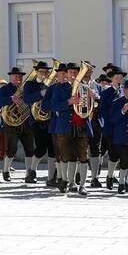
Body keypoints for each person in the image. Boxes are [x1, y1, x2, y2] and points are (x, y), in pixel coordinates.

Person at [52, 62, 96, 195]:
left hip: (81, 126)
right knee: (65, 155)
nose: (73, 74)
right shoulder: (59, 88)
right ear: (66, 74)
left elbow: (92, 106)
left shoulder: (85, 87)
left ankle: (82, 185)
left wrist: (93, 98)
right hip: (65, 126)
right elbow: (53, 105)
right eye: (70, 72)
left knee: (83, 156)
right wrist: (68, 102)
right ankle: (66, 180)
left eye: (76, 72)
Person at [23, 61, 56, 185]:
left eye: (45, 72)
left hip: (50, 119)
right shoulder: (29, 85)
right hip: (36, 121)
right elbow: (26, 99)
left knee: (52, 149)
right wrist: (40, 94)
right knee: (41, 148)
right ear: (36, 71)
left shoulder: (51, 85)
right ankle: (31, 172)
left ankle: (51, 178)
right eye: (41, 71)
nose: (43, 74)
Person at [0, 67, 35, 183]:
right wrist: (10, 99)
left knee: (30, 149)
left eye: (20, 76)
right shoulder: (5, 89)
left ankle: (29, 174)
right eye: (16, 76)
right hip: (11, 124)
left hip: (26, 122)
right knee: (11, 149)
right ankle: (6, 171)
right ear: (10, 77)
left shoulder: (26, 89)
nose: (18, 79)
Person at [99, 66, 127, 190]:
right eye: (117, 76)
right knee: (113, 154)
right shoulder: (105, 92)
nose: (119, 78)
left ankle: (123, 180)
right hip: (110, 127)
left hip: (123, 126)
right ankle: (110, 176)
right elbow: (101, 110)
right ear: (112, 78)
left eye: (121, 76)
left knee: (125, 154)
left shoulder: (125, 91)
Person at [41, 63, 68, 188]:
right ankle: (59, 177)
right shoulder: (52, 88)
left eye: (66, 73)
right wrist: (57, 103)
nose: (65, 75)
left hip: (70, 124)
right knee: (58, 153)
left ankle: (68, 178)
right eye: (62, 73)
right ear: (57, 75)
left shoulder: (73, 87)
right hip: (55, 124)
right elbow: (45, 106)